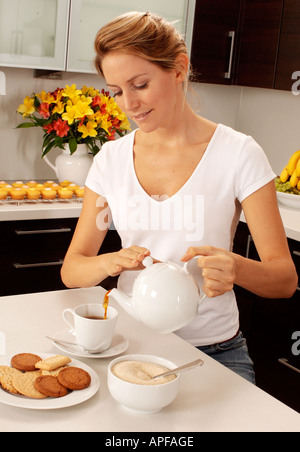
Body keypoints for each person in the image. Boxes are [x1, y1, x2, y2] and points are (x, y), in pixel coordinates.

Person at [61, 11, 298, 384]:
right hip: (129, 348)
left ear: (178, 69)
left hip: (216, 354)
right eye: (117, 91)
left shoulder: (238, 153)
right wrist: (112, 261)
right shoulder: (111, 159)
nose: (128, 104)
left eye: (140, 84)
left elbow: (284, 279)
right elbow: (73, 269)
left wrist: (236, 267)